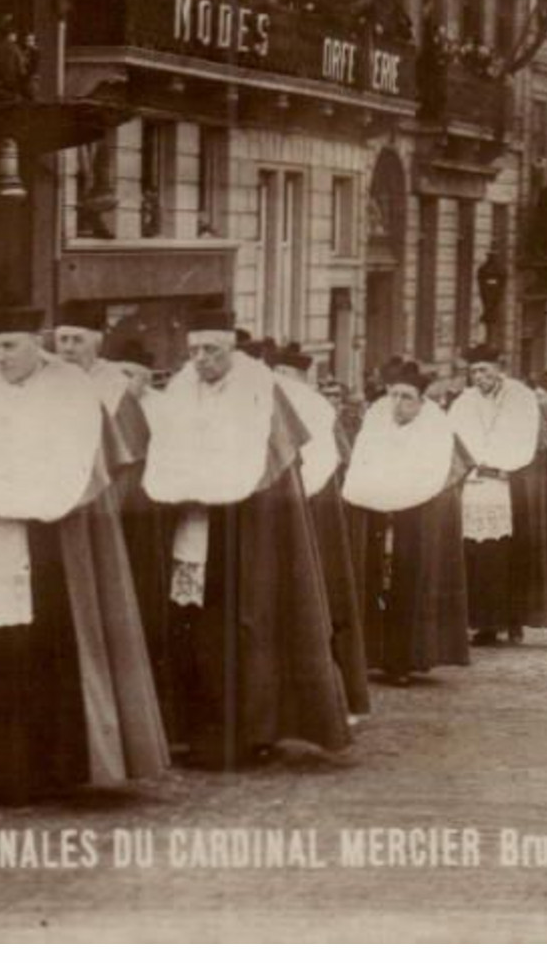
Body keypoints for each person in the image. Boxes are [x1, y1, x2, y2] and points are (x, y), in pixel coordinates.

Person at [0, 306, 167, 814]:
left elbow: (80, 470)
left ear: (37, 343)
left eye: (9, 346)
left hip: (47, 544)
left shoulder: (71, 391)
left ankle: (42, 772)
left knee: (38, 659)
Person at [142, 308, 350, 768]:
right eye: (194, 350)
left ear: (230, 350)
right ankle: (198, 730)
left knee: (245, 629)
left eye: (211, 350)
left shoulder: (261, 393)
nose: (201, 359)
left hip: (248, 532)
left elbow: (272, 472)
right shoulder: (181, 390)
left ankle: (250, 731)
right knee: (195, 629)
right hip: (194, 524)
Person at [53, 303, 173, 732]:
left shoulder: (116, 389)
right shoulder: (48, 384)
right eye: (61, 339)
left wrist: (103, 513)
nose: (67, 349)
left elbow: (131, 463)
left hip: (112, 518)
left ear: (97, 343)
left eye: (77, 340)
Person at [342, 359, 472, 684]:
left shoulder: (435, 427)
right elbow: (363, 462)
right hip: (375, 510)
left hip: (418, 515)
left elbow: (430, 474)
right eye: (393, 395)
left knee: (408, 585)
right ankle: (372, 655)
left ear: (421, 400)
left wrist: (399, 492)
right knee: (372, 581)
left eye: (406, 397)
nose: (398, 404)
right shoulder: (376, 419)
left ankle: (404, 659)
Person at [268, 342, 370, 718]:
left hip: (315, 508)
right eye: (276, 374)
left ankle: (340, 695)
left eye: (288, 375)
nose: (282, 381)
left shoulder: (314, 408)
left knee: (327, 598)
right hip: (284, 510)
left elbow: (319, 464)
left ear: (301, 378)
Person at [448, 345, 547, 644]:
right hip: (474, 483)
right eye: (473, 372)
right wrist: (474, 465)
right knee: (475, 553)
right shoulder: (464, 401)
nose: (479, 377)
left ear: (498, 368)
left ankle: (513, 620)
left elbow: (525, 440)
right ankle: (483, 623)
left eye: (484, 370)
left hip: (510, 483)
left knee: (510, 554)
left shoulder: (521, 397)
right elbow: (455, 437)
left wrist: (501, 465)